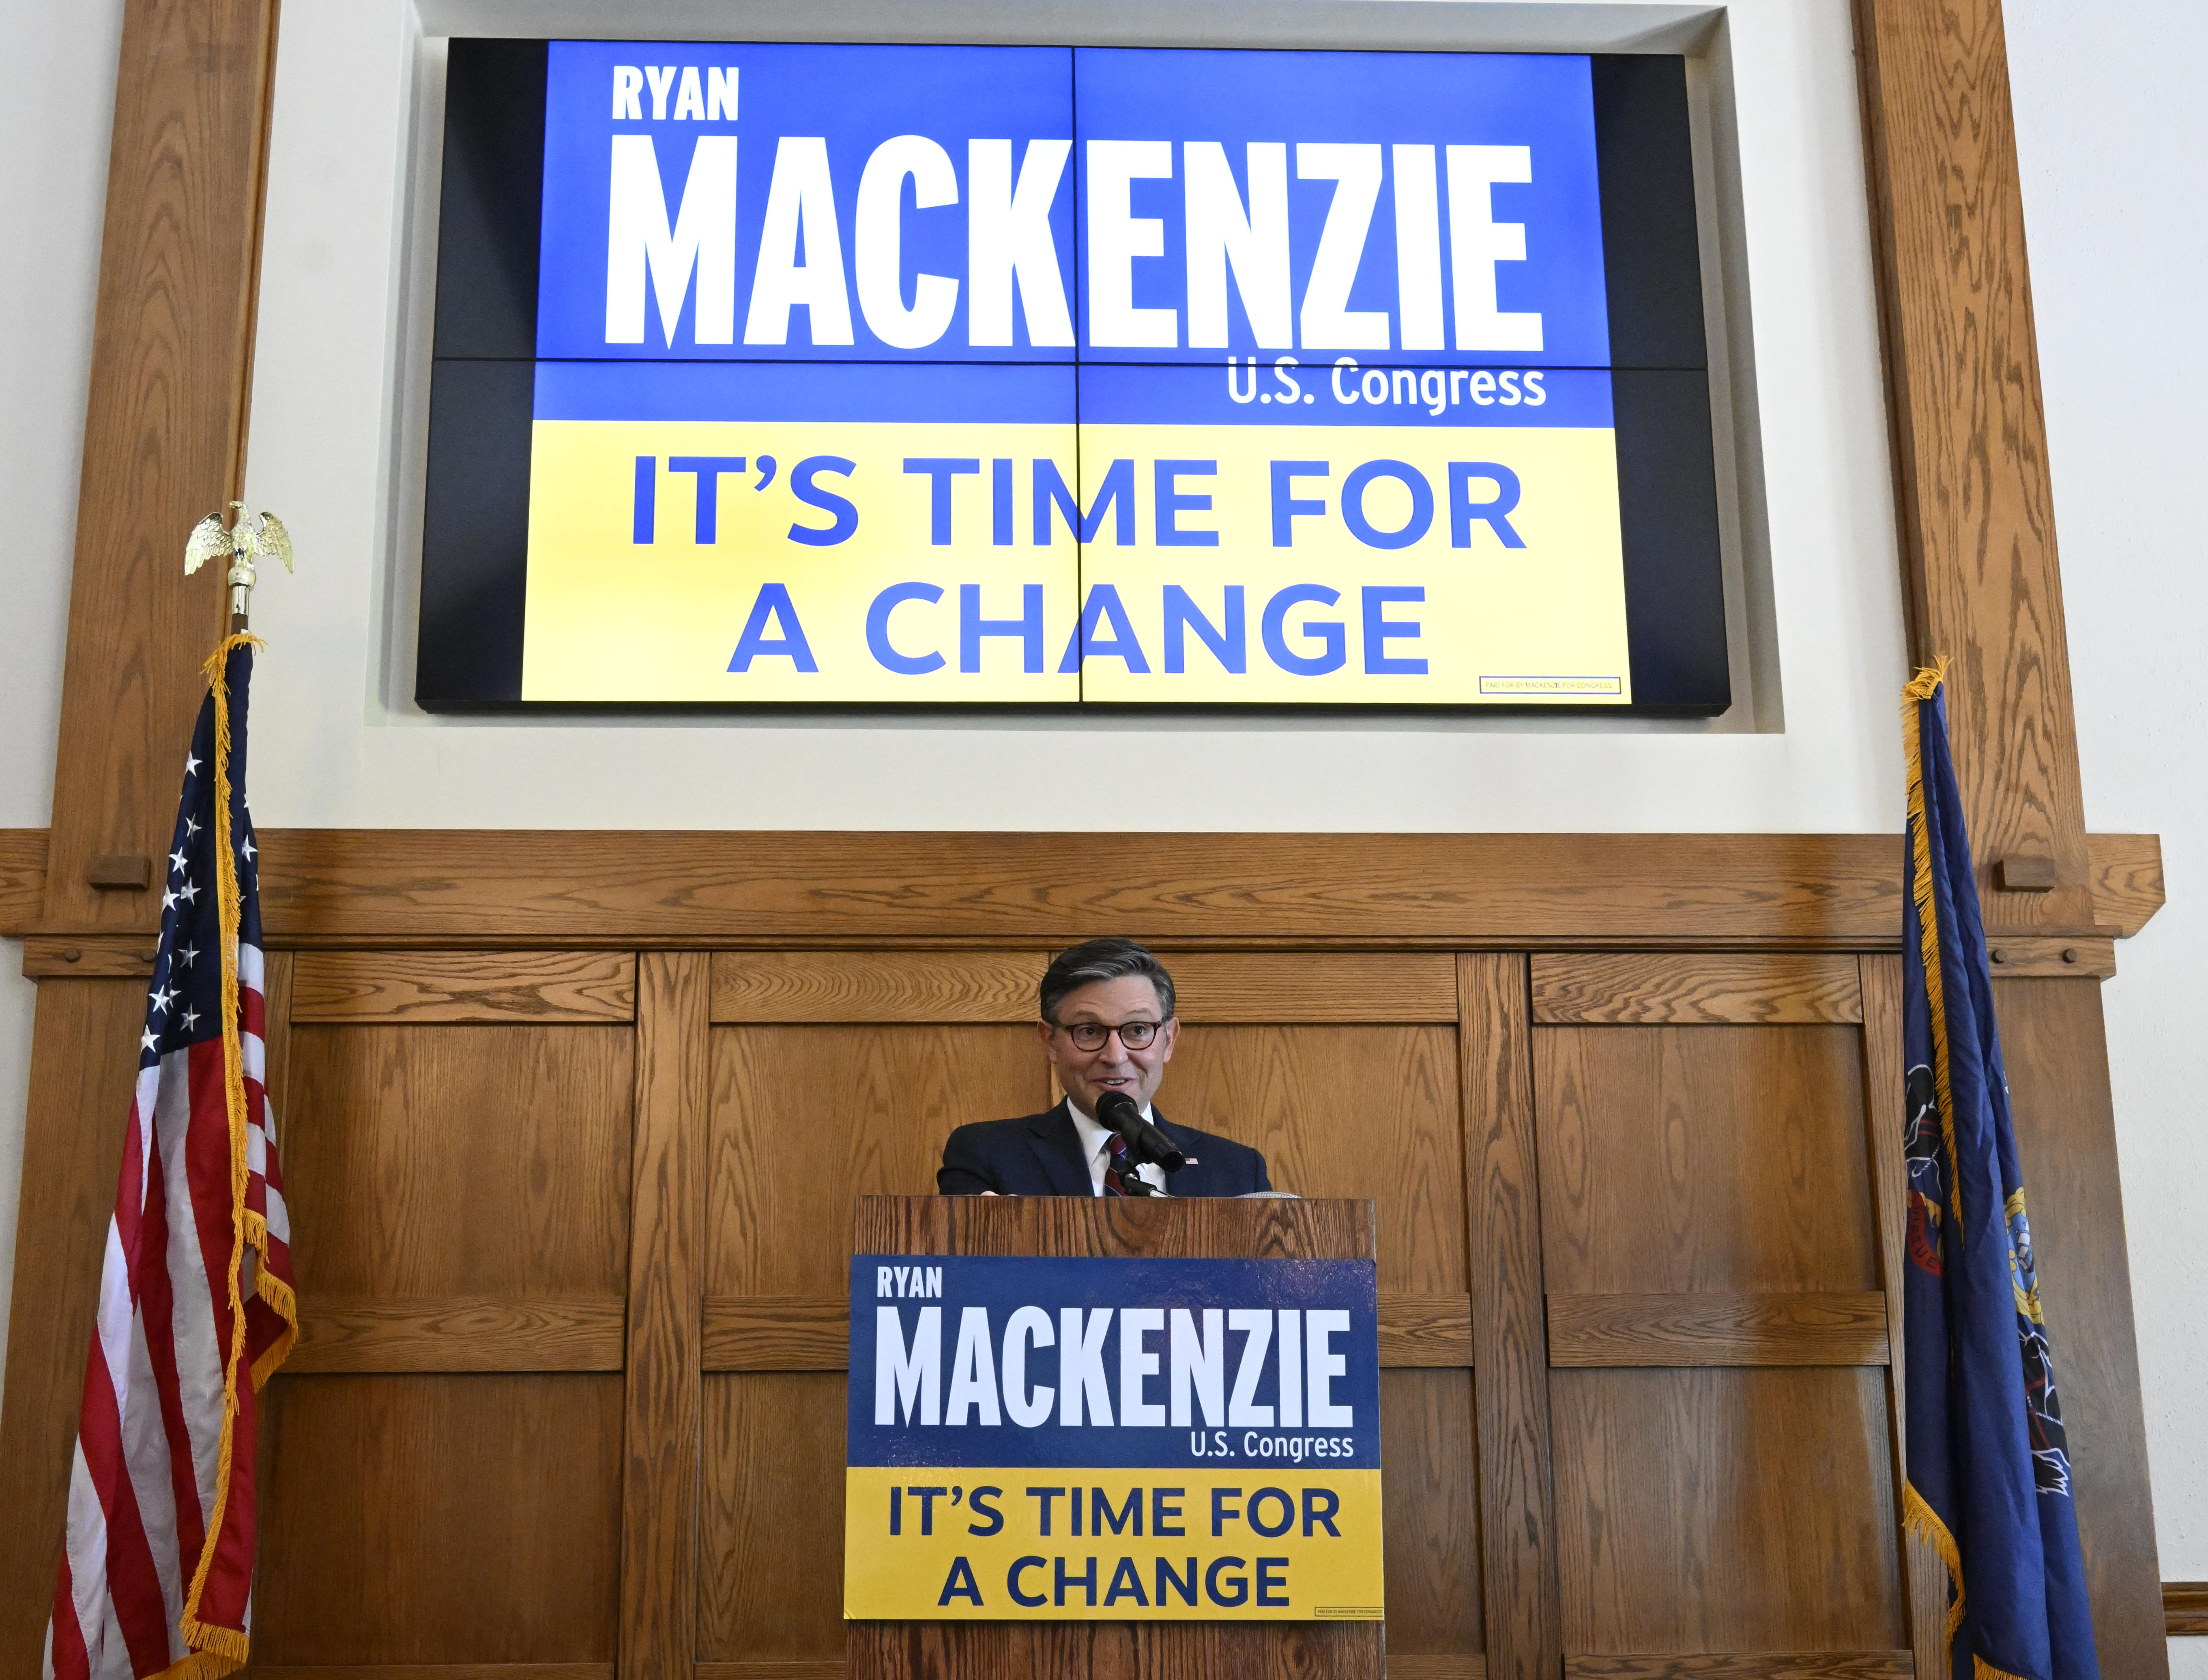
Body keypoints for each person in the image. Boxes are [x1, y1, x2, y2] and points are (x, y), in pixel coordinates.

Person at [938, 938, 1271, 1196]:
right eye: (1089, 1031)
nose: (1115, 1055)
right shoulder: (986, 1155)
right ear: (1050, 1041)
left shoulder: (1238, 1171)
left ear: (1168, 1040)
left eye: (1138, 1030)